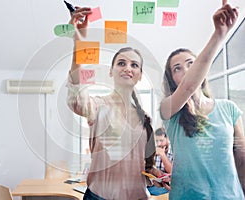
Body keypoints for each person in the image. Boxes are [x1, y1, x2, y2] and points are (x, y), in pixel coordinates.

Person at [66, 7, 157, 200]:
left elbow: (144, 165)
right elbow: (76, 97)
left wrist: (157, 175)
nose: (128, 68)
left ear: (140, 75)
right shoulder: (98, 106)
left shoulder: (144, 118)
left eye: (134, 65)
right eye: (121, 63)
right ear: (111, 71)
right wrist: (79, 43)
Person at [160, 1, 245, 199]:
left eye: (192, 64)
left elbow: (241, 158)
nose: (187, 70)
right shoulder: (168, 110)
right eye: (177, 68)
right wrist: (219, 34)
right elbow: (188, 86)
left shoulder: (229, 108)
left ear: (202, 71)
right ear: (172, 80)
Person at [147, 127, 173, 196]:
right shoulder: (155, 150)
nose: (158, 144)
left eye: (161, 140)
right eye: (156, 141)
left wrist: (162, 155)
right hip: (157, 184)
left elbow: (172, 172)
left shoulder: (175, 151)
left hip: (171, 185)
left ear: (167, 139)